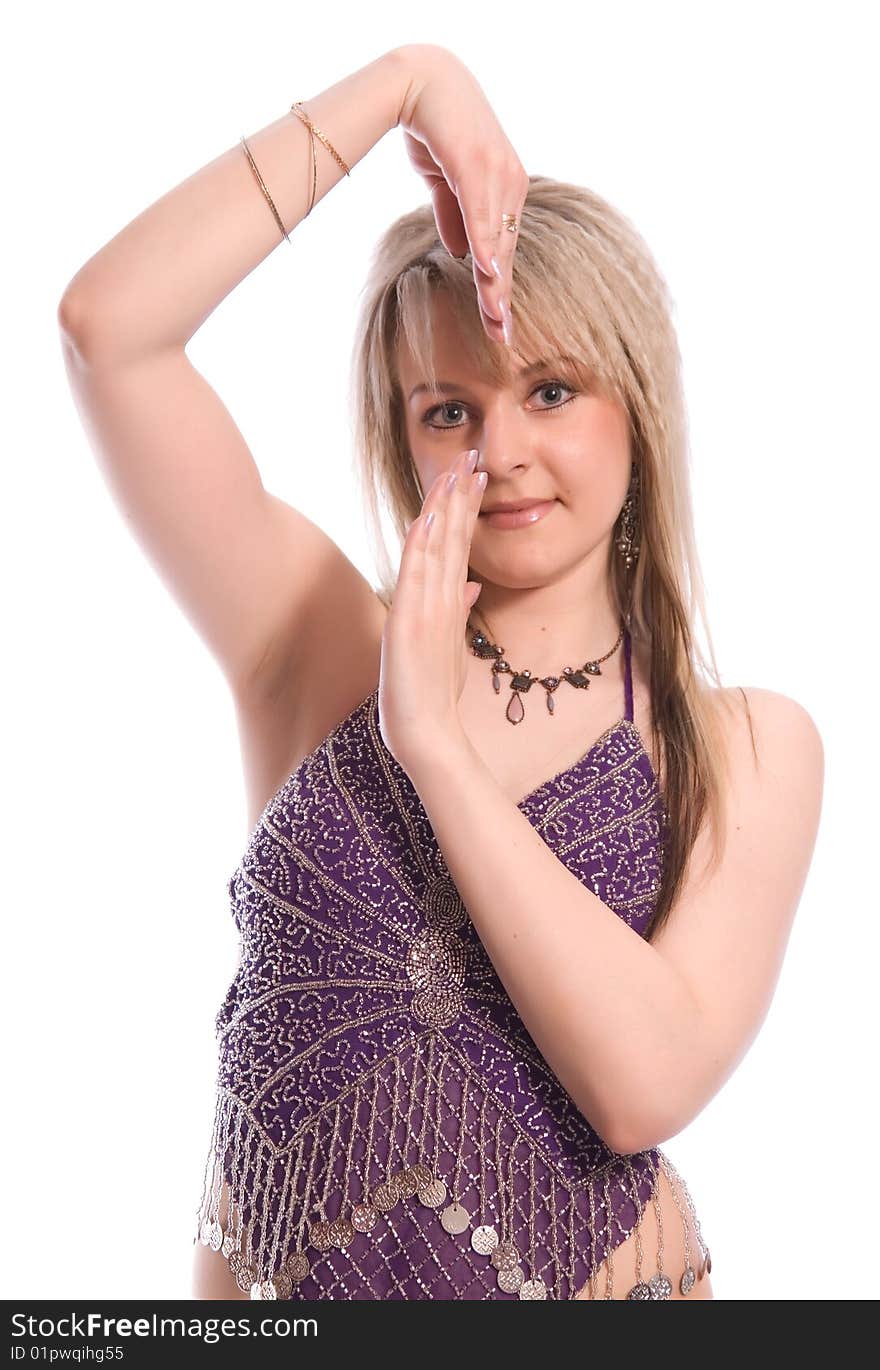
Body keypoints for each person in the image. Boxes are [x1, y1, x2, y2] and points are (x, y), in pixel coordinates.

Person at [57, 43, 824, 1302]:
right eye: (448, 409)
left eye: (552, 388)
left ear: (635, 404)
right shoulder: (312, 635)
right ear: (405, 435)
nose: (504, 449)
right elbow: (109, 332)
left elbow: (641, 1086)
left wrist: (439, 750)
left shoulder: (739, 744)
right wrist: (405, 86)